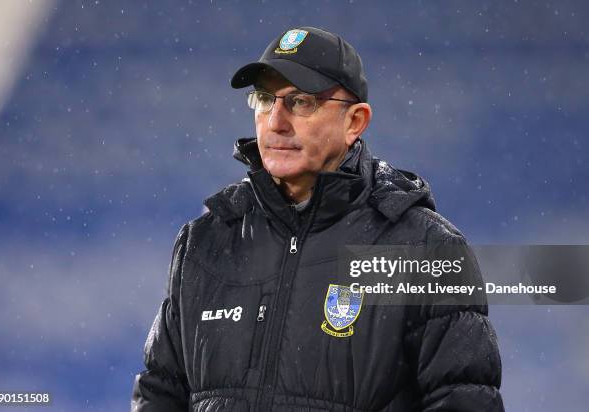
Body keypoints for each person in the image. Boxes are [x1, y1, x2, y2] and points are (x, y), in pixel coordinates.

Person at [131, 26, 504, 411]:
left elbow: (464, 401)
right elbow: (160, 392)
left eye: (301, 102)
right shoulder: (206, 241)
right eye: (264, 99)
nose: (275, 121)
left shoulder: (424, 249)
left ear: (355, 121)